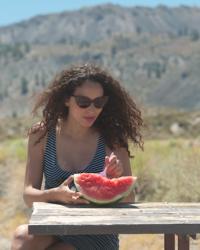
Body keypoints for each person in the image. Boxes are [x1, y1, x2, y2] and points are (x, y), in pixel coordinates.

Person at [11, 63, 144, 250]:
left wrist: (113, 180)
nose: (92, 109)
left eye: (99, 102)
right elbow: (28, 195)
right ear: (66, 99)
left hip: (97, 233)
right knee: (21, 237)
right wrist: (54, 194)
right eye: (83, 102)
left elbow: (129, 199)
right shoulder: (42, 135)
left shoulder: (112, 140)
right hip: (55, 225)